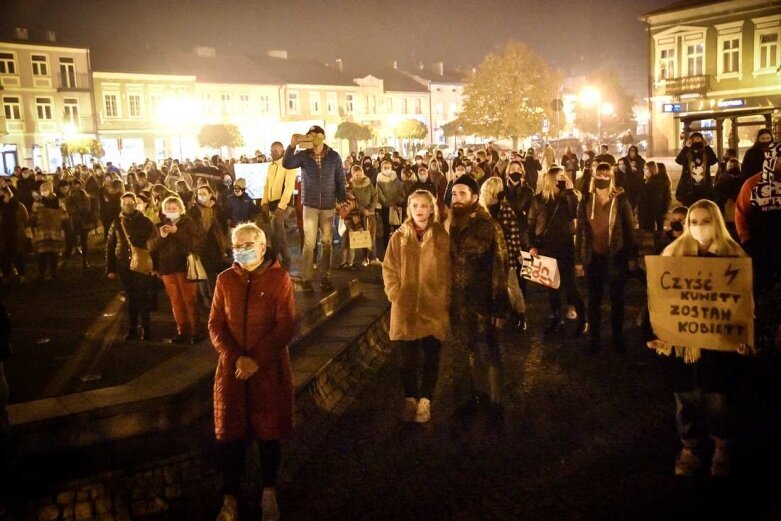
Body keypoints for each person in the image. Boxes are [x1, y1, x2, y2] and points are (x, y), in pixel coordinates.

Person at [646, 199, 755, 477]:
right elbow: (657, 301)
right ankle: (689, 448)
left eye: (706, 221)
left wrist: (747, 337)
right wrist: (654, 333)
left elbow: (745, 305)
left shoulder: (734, 256)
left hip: (720, 348)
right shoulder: (672, 253)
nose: (699, 227)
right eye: (693, 222)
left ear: (716, 223)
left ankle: (721, 447)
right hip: (682, 347)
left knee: (719, 401)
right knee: (686, 400)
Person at [209, 223, 295, 521]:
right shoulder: (224, 280)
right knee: (231, 438)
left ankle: (268, 491)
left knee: (268, 435)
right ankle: (229, 498)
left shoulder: (280, 279)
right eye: (237, 246)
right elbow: (215, 325)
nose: (242, 251)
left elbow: (285, 324)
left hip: (268, 368)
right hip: (232, 371)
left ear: (262, 247)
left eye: (248, 245)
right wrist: (236, 358)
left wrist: (256, 359)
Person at [383, 189, 451, 424]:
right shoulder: (399, 237)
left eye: (424, 206)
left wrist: (444, 296)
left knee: (431, 355)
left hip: (433, 304)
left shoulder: (442, 237)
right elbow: (389, 267)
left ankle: (426, 400)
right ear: (409, 209)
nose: (420, 211)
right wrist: (395, 293)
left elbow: (449, 270)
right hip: (405, 307)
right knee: (406, 357)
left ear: (432, 209)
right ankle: (410, 397)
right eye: (415, 206)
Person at [447, 175, 509, 414]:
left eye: (463, 194)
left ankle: (495, 402)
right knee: (469, 349)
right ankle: (476, 395)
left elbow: (500, 266)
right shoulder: (451, 225)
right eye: (454, 194)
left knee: (490, 351)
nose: (457, 199)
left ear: (475, 197)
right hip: (460, 303)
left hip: (484, 303)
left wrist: (499, 306)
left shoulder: (489, 226)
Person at [575, 162, 636, 352]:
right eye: (598, 176)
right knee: (594, 300)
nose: (601, 179)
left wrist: (632, 256)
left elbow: (629, 231)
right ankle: (595, 339)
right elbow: (580, 231)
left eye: (605, 175)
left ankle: (617, 337)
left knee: (617, 300)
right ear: (593, 177)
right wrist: (579, 260)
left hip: (615, 256)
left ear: (612, 177)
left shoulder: (620, 200)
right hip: (593, 257)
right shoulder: (586, 201)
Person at [284, 125, 346, 293]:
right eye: (310, 134)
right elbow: (287, 163)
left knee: (327, 242)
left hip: (328, 206)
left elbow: (340, 179)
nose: (313, 137)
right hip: (310, 205)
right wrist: (291, 146)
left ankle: (325, 276)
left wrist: (343, 200)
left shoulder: (333, 156)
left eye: (315, 134)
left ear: (322, 136)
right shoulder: (304, 155)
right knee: (309, 243)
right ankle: (306, 277)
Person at [527, 166, 587, 335]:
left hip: (566, 246)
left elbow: (575, 213)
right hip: (546, 246)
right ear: (551, 179)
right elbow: (530, 225)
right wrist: (530, 245)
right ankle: (556, 317)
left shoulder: (568, 197)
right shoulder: (538, 200)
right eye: (559, 177)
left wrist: (569, 191)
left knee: (571, 285)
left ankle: (583, 319)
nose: (562, 179)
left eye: (564, 176)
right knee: (551, 286)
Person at [150, 195, 201, 344]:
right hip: (167, 267)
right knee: (175, 300)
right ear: (164, 211)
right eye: (168, 208)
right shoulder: (159, 225)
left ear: (180, 209)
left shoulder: (188, 223)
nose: (171, 211)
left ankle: (195, 331)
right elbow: (152, 247)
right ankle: (182, 330)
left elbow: (196, 243)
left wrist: (177, 233)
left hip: (185, 266)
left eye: (174, 208)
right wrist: (163, 236)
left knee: (190, 299)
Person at [106, 193, 156, 340]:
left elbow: (153, 244)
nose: (128, 204)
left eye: (131, 202)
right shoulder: (116, 222)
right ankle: (133, 328)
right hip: (123, 265)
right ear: (121, 205)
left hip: (141, 264)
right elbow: (110, 245)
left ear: (135, 203)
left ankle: (147, 329)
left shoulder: (146, 221)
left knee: (142, 296)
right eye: (125, 202)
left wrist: (155, 266)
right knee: (131, 297)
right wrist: (110, 268)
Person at [481, 176, 527, 331]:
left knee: (512, 286)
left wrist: (517, 254)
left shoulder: (506, 210)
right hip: (488, 255)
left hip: (505, 255)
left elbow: (513, 235)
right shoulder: (482, 211)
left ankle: (521, 316)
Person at [189, 185, 230, 305]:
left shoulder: (217, 209)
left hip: (214, 245)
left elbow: (223, 226)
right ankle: (206, 298)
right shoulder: (193, 211)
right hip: (200, 246)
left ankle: (215, 298)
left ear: (210, 194)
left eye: (204, 193)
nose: (202, 196)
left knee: (212, 274)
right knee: (202, 274)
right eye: (199, 193)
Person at [261, 142, 297, 271]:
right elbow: (266, 185)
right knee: (276, 232)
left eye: (275, 150)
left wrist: (281, 206)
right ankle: (280, 258)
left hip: (284, 204)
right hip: (272, 204)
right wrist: (264, 202)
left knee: (277, 230)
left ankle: (280, 259)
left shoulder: (288, 166)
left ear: (282, 151)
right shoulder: (271, 166)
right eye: (271, 150)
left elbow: (289, 188)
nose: (272, 152)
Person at [31, 181, 67, 282]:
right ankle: (41, 274)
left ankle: (54, 274)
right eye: (42, 190)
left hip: (54, 231)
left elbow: (64, 215)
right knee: (42, 254)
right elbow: (33, 216)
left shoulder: (58, 201)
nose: (43, 192)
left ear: (50, 190)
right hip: (43, 232)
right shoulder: (38, 202)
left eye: (45, 190)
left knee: (53, 254)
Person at [675, 132, 718, 207]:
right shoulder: (687, 153)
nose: (697, 141)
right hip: (689, 187)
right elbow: (678, 160)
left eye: (699, 139)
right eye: (695, 139)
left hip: (704, 187)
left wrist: (707, 147)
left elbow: (714, 160)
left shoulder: (705, 152)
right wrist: (686, 147)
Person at [349, 164, 379, 266]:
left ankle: (374, 257)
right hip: (359, 214)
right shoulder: (352, 186)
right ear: (353, 175)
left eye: (360, 173)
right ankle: (365, 257)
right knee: (362, 236)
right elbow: (353, 201)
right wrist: (362, 210)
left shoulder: (368, 183)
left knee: (372, 234)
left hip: (370, 214)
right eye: (356, 174)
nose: (358, 176)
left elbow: (375, 196)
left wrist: (370, 208)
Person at [0, 186, 29, 284]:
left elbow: (25, 218)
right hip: (3, 234)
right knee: (4, 256)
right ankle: (6, 275)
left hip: (16, 234)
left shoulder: (18, 205)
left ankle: (21, 274)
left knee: (18, 255)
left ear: (8, 194)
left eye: (1, 194)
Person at [637, 161, 672, 233]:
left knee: (652, 232)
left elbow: (656, 199)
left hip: (650, 213)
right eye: (644, 168)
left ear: (651, 170)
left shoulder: (656, 183)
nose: (644, 170)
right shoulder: (645, 181)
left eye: (646, 169)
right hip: (644, 212)